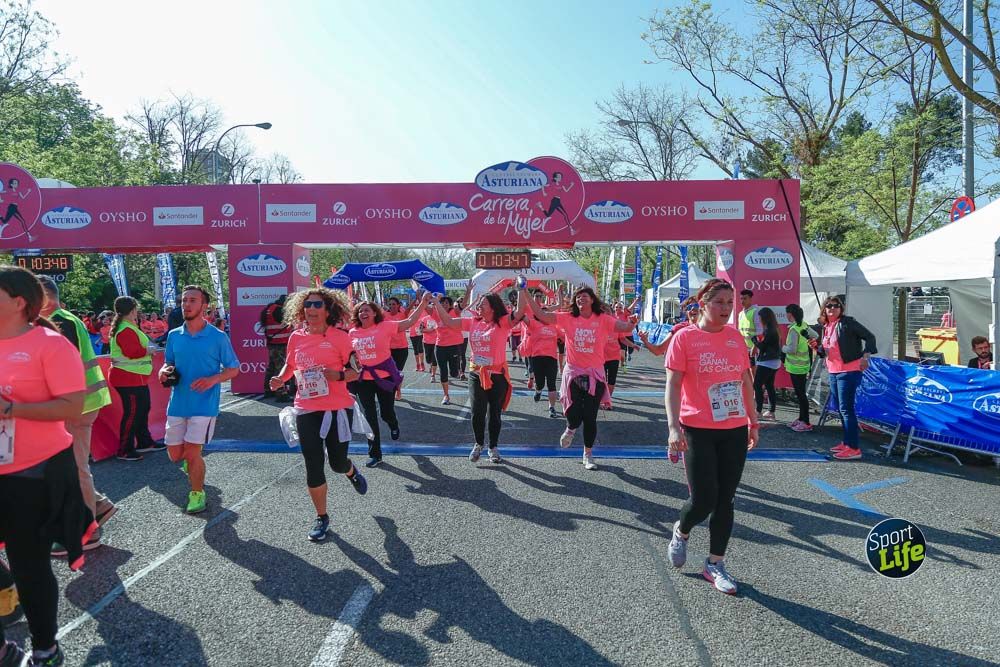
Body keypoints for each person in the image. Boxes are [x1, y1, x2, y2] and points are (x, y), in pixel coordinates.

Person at [0, 265, 93, 666]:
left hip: (33, 472)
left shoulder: (50, 345)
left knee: (29, 565)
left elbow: (73, 406)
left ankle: (44, 647)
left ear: (18, 302)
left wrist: (11, 408)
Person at [664, 278, 759, 595]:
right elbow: (674, 385)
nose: (726, 308)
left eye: (730, 303)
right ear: (703, 303)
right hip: (697, 428)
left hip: (733, 429)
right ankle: (683, 528)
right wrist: (673, 427)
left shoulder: (735, 339)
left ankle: (715, 563)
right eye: (719, 302)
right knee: (704, 498)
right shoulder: (684, 339)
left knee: (726, 499)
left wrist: (754, 421)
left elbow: (745, 382)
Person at [269, 288, 368, 542]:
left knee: (336, 463)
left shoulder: (341, 338)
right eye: (307, 305)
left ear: (327, 310)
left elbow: (357, 371)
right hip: (306, 407)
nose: (311, 309)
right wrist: (281, 378)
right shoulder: (295, 338)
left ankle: (350, 471)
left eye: (316, 305)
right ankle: (322, 517)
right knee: (313, 463)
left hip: (337, 408)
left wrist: (338, 375)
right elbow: (291, 365)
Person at [37, 277, 118, 554]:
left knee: (74, 467)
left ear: (45, 297)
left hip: (76, 405)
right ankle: (97, 507)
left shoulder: (60, 322)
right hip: (78, 403)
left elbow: (57, 369)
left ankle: (86, 531)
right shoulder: (64, 319)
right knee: (69, 466)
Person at [522, 286, 637, 471]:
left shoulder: (603, 319)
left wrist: (632, 322)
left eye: (585, 296)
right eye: (578, 297)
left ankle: (588, 454)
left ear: (592, 300)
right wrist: (524, 291)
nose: (581, 299)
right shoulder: (568, 318)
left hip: (595, 374)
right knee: (572, 412)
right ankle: (571, 427)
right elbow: (541, 315)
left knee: (590, 417)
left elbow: (625, 327)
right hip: (573, 373)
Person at [158, 285, 240, 514]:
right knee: (175, 455)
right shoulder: (174, 335)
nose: (186, 304)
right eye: (184, 300)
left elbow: (234, 369)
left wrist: (212, 379)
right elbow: (169, 363)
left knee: (193, 452)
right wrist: (163, 372)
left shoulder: (217, 336)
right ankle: (192, 463)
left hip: (204, 405)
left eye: (192, 300)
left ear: (204, 306)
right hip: (178, 403)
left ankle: (197, 492)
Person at [433, 292, 524, 463]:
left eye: (483, 304)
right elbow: (449, 322)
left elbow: (519, 312)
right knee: (477, 412)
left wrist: (522, 289)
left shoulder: (503, 322)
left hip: (497, 375)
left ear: (493, 307)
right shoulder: (473, 322)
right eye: (479, 304)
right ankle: (479, 444)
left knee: (494, 413)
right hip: (476, 373)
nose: (479, 307)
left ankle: (493, 447)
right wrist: (436, 302)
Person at [349, 295, 428, 468]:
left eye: (367, 310)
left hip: (384, 377)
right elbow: (348, 355)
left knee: (386, 412)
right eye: (360, 310)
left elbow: (409, 321)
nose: (363, 313)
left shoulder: (385, 326)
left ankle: (393, 424)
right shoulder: (352, 332)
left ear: (375, 313)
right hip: (363, 380)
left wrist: (422, 303)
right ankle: (375, 454)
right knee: (369, 417)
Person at [819, 297, 877, 461]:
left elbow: (870, 337)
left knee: (846, 409)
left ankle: (854, 448)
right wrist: (817, 348)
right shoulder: (827, 326)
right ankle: (846, 443)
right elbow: (825, 350)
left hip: (848, 371)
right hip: (833, 371)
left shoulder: (847, 323)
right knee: (840, 408)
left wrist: (866, 356)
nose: (832, 308)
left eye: (836, 306)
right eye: (829, 306)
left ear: (841, 309)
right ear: (824, 309)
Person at [108, 296, 164, 462]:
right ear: (132, 310)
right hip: (128, 377)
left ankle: (144, 441)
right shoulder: (126, 328)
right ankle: (124, 449)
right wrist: (149, 350)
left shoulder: (126, 327)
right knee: (133, 413)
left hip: (133, 377)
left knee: (142, 410)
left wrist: (147, 350)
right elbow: (131, 352)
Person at [523, 290, 561, 418]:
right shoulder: (534, 324)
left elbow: (567, 337)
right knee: (540, 383)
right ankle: (538, 390)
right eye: (543, 312)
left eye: (547, 312)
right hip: (537, 358)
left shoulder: (554, 326)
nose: (545, 314)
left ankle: (552, 408)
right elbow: (523, 316)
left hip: (551, 358)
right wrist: (520, 293)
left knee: (551, 384)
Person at [783, 304, 817, 432]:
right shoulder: (803, 325)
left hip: (796, 367)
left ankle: (806, 422)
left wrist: (782, 348)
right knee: (800, 393)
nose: (786, 315)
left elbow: (791, 349)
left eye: (787, 313)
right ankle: (802, 419)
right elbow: (816, 336)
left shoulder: (794, 330)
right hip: (803, 365)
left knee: (801, 394)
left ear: (790, 314)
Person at [430, 296, 465, 405]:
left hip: (454, 347)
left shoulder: (455, 312)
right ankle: (446, 395)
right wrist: (422, 296)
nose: (444, 304)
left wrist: (468, 291)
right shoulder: (435, 313)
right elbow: (424, 306)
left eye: (446, 303)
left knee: (454, 373)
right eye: (442, 303)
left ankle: (457, 371)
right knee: (443, 371)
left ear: (450, 305)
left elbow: (462, 305)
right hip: (440, 347)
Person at [752, 307, 781, 421]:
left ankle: (758, 411)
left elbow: (762, 347)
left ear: (765, 318)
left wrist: (754, 340)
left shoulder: (770, 330)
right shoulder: (773, 329)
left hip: (768, 362)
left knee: (757, 385)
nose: (759, 320)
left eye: (760, 318)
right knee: (769, 386)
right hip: (773, 361)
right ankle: (771, 411)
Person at [262, 295, 293, 402]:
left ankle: (268, 390)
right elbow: (286, 321)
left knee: (271, 367)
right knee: (280, 369)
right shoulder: (279, 310)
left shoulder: (269, 309)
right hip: (280, 343)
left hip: (272, 342)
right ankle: (281, 393)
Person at [383, 297, 412, 401]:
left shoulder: (402, 314)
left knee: (397, 372)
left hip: (401, 349)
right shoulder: (384, 315)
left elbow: (410, 310)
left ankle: (397, 390)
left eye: (394, 304)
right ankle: (393, 390)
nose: (391, 306)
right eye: (390, 304)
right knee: (390, 372)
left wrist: (417, 299)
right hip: (388, 349)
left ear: (398, 305)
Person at [737, 289, 763, 360]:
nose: (742, 301)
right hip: (743, 348)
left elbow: (760, 331)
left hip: (754, 348)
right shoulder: (740, 314)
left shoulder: (755, 312)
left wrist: (755, 347)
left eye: (745, 298)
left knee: (754, 370)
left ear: (750, 299)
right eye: (741, 299)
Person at [418, 303, 439, 381]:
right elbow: (421, 329)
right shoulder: (424, 319)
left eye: (434, 308)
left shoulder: (439, 318)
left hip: (437, 342)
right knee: (428, 359)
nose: (433, 310)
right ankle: (430, 365)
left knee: (434, 359)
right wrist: (430, 330)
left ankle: (433, 376)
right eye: (431, 308)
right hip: (426, 341)